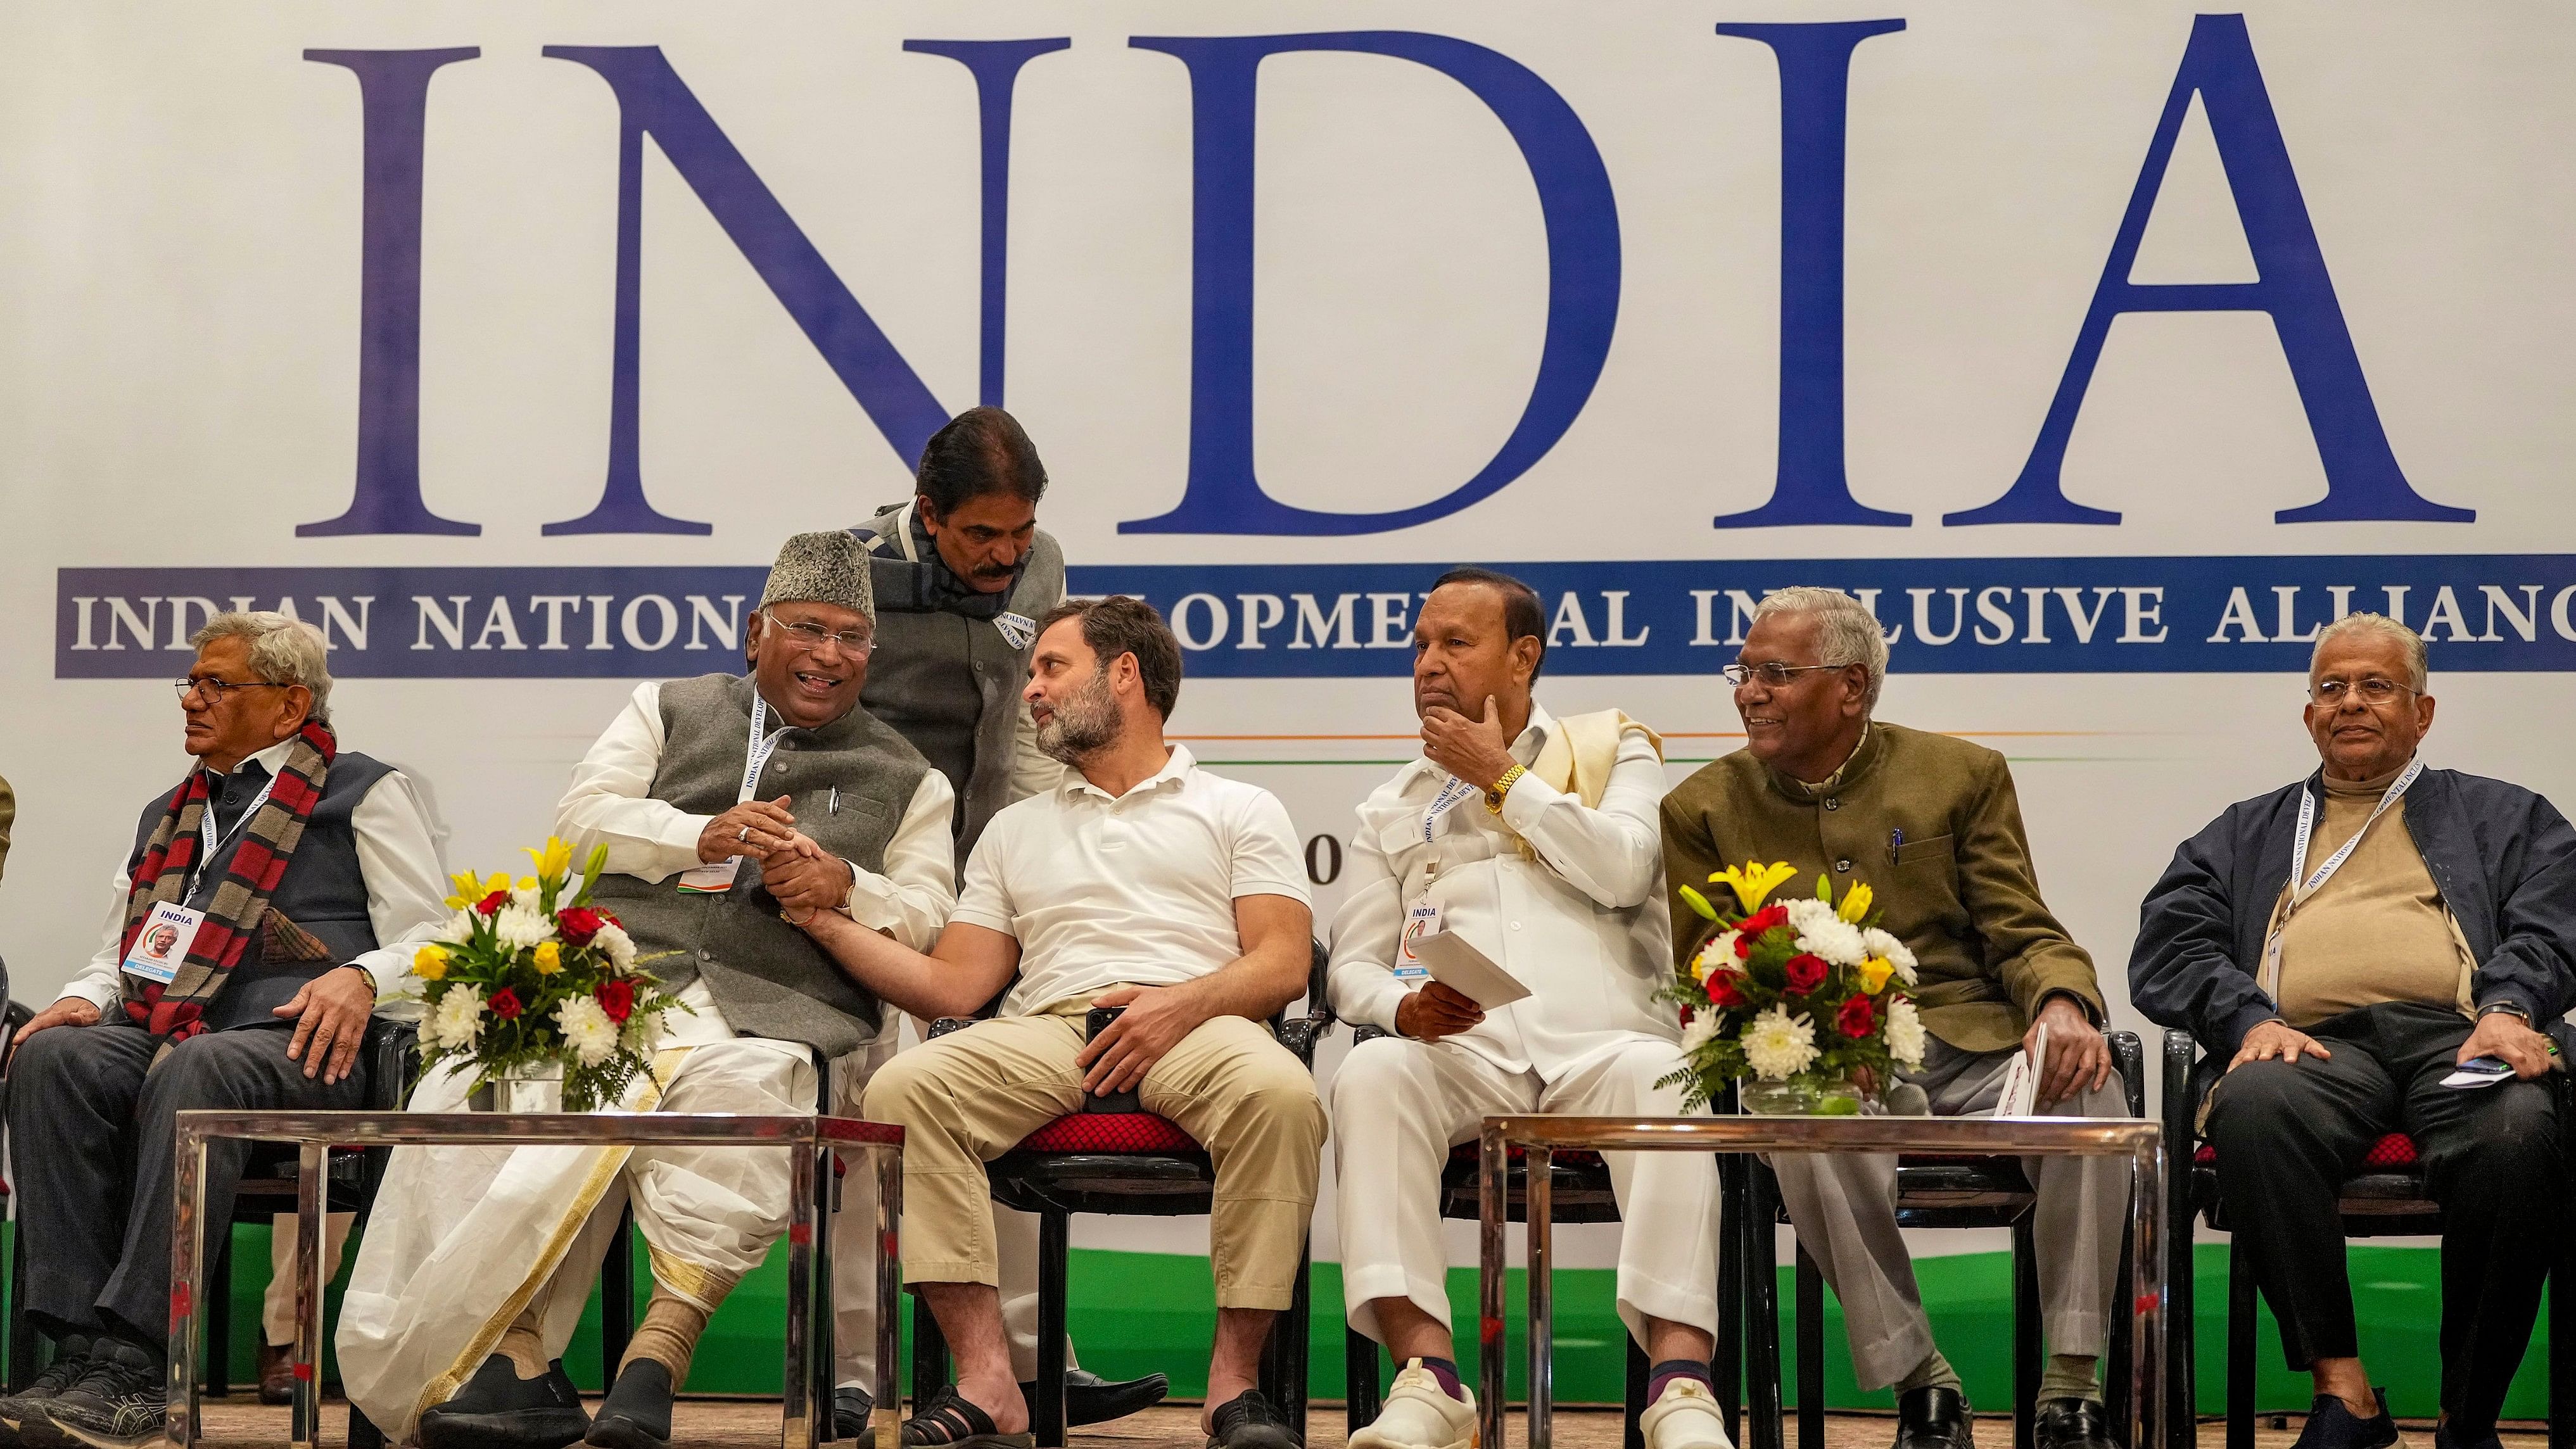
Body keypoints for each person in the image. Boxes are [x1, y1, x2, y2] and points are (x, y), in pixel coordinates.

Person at [336, 531, 956, 1449]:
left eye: (854, 638)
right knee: (482, 1083)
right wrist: (696, 835)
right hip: (623, 986)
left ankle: (653, 1367)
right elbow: (582, 824)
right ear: (756, 634)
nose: (830, 655)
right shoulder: (668, 706)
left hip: (777, 1013)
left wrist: (846, 889)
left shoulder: (911, 777)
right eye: (808, 628)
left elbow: (931, 916)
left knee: (742, 1097)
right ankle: (504, 1362)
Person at [811, 596, 1324, 1449]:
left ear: (1125, 674)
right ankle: (987, 1379)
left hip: (1198, 1016)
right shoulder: (1016, 828)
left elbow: (1281, 964)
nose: (1033, 692)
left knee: (1284, 1095)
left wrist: (1181, 1004)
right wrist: (827, 919)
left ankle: (1234, 1389)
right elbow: (952, 987)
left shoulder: (1239, 807)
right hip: (1051, 1026)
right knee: (906, 1085)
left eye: (1052, 668)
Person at [1659, 587, 2129, 1449]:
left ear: (1851, 687)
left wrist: (2064, 1002)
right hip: (1830, 1060)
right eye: (1744, 671)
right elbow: (1705, 976)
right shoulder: (1701, 808)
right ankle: (1922, 1382)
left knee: (2093, 1089)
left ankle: (2071, 1384)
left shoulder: (1961, 774)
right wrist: (1820, 1035)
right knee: (1794, 1105)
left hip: (1970, 1038)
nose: (1748, 692)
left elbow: (2019, 926)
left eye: (1775, 673)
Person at [0, 613, 446, 1449]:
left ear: (289, 705)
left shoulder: (365, 791)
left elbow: (435, 936)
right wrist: (85, 998)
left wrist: (361, 977)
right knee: (54, 1058)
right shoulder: (170, 814)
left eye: (217, 684)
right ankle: (81, 1349)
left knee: (199, 1069)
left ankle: (140, 1359)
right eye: (191, 682)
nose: (192, 701)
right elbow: (120, 952)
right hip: (171, 1030)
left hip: (303, 1043)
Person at [2132, 613, 2575, 1449]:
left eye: (2377, 686)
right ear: (2308, 716)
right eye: (2331, 688)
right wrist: (2247, 1020)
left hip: (2460, 1036)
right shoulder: (2246, 830)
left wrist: (2509, 1006)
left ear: (2424, 712)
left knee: (2520, 1130)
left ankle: (2468, 1412)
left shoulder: (2506, 816)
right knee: (2253, 1106)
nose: (2352, 703)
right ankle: (2345, 1394)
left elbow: (2555, 923)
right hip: (2309, 1044)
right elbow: (2170, 942)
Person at [1326, 569, 1731, 1449]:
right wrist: (1404, 1010)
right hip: (1466, 1052)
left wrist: (1504, 778)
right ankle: (1429, 1379)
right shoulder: (1391, 804)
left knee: (1674, 1077)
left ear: (1523, 657)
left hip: (1607, 1042)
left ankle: (1681, 1387)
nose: (1429, 664)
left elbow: (1628, 868)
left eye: (1456, 644)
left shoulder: (1613, 748)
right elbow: (1351, 969)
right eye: (1421, 645)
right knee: (1371, 1072)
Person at [846, 408, 1160, 1433]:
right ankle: (861, 1364)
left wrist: (1031, 864)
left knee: (1005, 1107)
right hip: (877, 872)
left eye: (1021, 532)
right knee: (875, 1112)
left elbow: (1032, 737)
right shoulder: (845, 571)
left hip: (989, 870)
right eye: (983, 534)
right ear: (925, 514)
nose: (1008, 554)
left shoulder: (1039, 564)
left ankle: (1034, 1360)